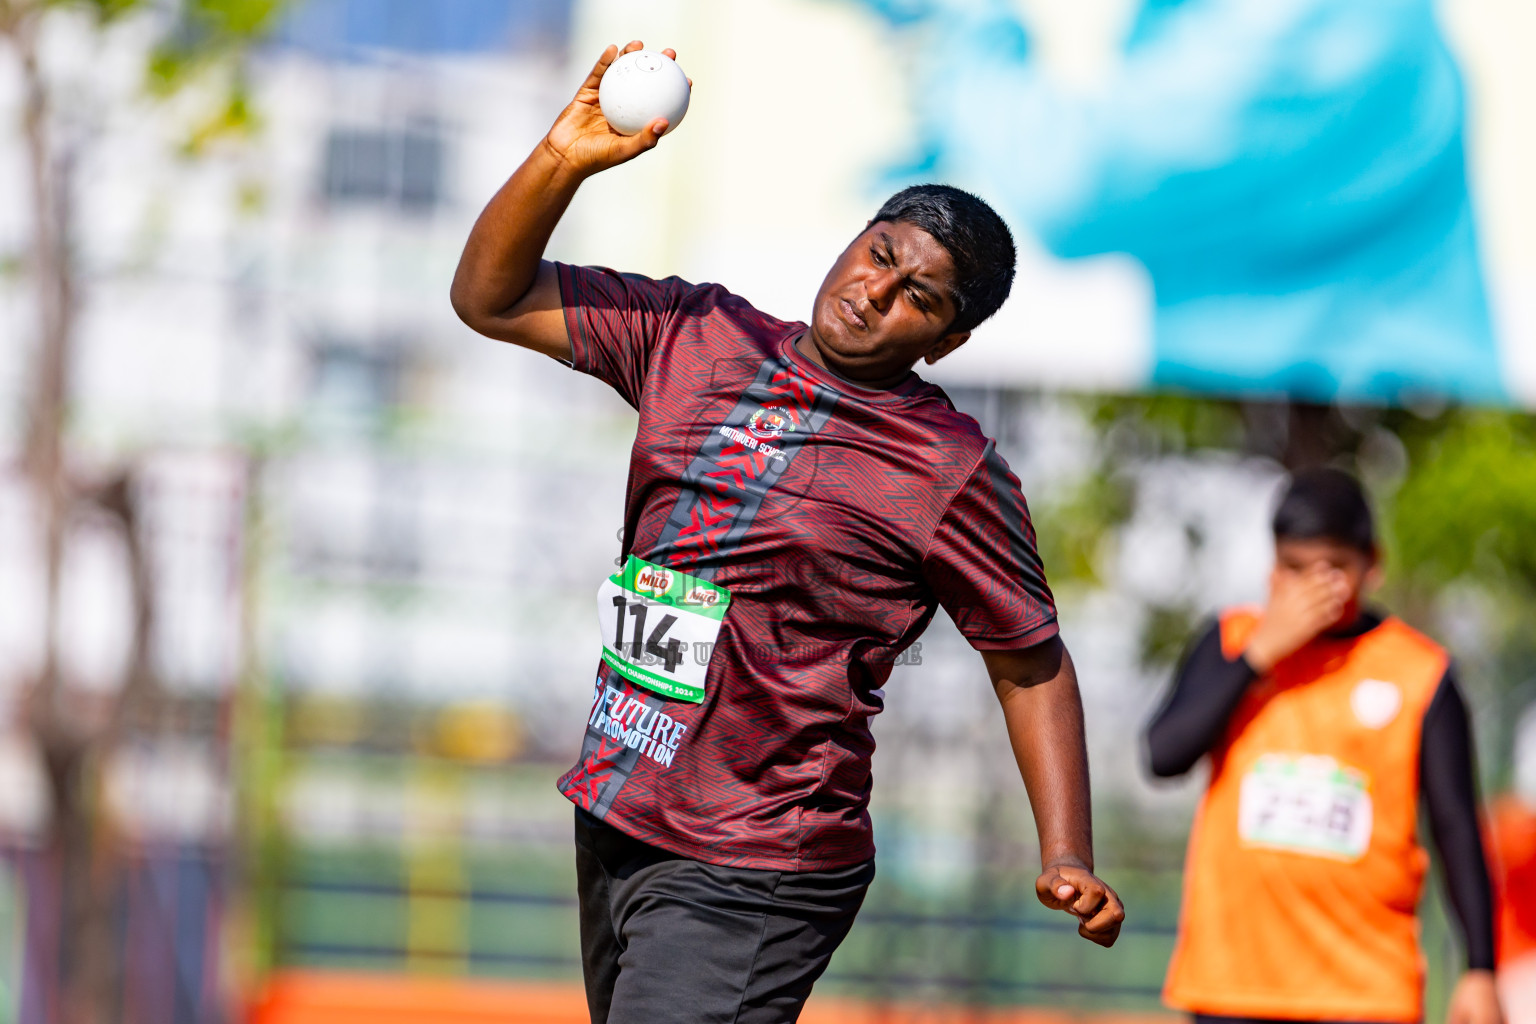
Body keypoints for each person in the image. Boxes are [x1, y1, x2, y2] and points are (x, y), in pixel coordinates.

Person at [451, 39, 1123, 1024]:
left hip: (759, 852)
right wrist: (564, 158)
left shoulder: (949, 467)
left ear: (949, 339)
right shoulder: (696, 335)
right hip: (620, 804)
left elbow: (1030, 659)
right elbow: (490, 297)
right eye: (880, 255)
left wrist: (1067, 851)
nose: (876, 291)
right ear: (856, 237)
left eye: (919, 297)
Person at [1145, 467, 1502, 1024]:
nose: (1311, 588)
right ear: (1272, 566)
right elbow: (1164, 756)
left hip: (1363, 992)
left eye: (1332, 569)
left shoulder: (1420, 673)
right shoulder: (1231, 641)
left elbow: (1457, 827)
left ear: (1372, 564)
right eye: (1293, 568)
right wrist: (1261, 655)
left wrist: (1481, 969)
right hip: (1231, 984)